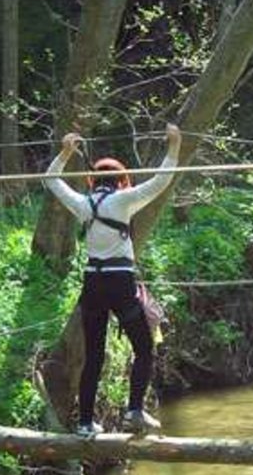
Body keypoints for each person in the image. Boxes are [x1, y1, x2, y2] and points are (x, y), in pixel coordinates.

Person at [43, 123, 181, 436]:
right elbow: (161, 181)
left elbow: (52, 180)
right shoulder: (123, 200)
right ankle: (134, 411)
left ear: (93, 181)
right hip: (119, 283)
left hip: (92, 283)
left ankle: (84, 424)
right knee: (144, 348)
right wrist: (174, 146)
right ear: (120, 181)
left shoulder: (82, 204)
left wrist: (64, 152)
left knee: (94, 355)